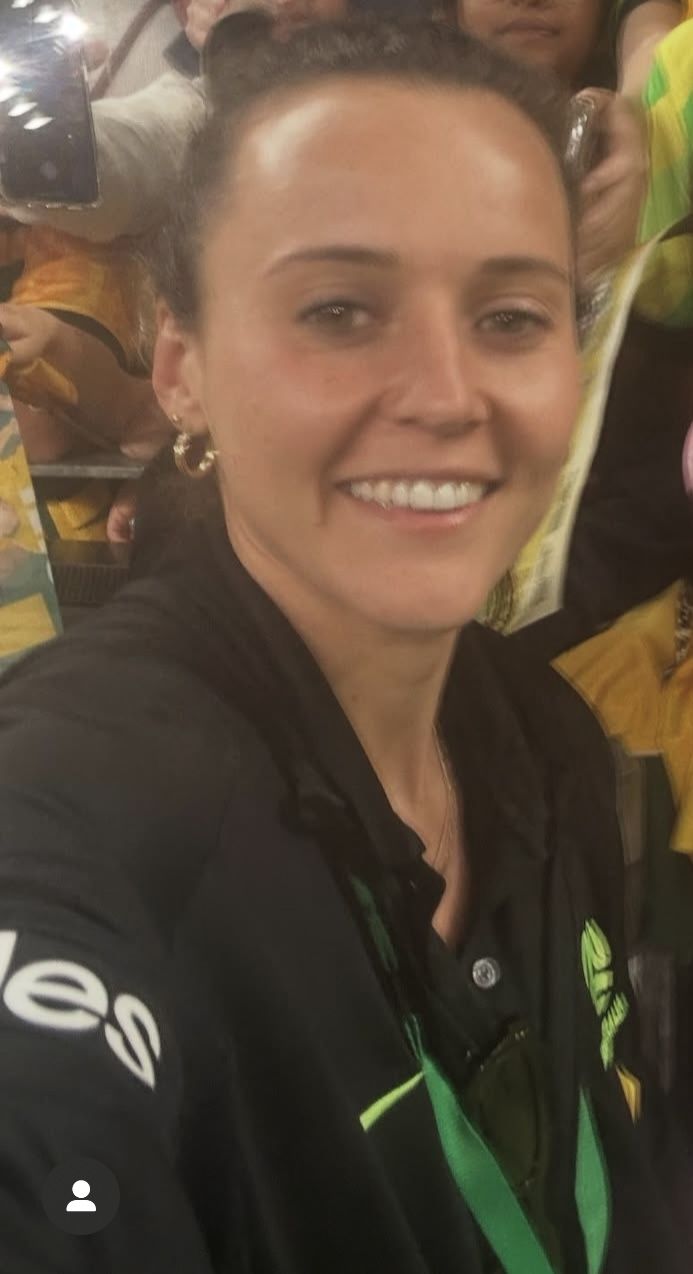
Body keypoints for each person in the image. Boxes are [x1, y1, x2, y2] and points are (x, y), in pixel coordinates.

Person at [0, 17, 688, 1273]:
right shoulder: (84, 793)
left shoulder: (548, 750)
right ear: (182, 367)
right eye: (338, 308)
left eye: (511, 315)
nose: (446, 392)